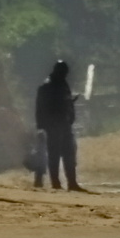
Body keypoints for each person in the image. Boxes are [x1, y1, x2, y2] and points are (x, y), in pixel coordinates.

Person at [35, 60, 82, 190]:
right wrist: (41, 126)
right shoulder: (47, 86)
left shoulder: (62, 84)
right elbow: (40, 107)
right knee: (54, 154)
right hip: (53, 124)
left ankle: (72, 182)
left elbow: (66, 101)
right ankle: (56, 183)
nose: (65, 74)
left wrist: (71, 111)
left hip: (65, 123)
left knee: (69, 153)